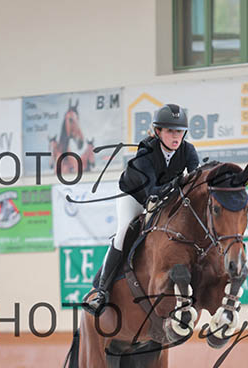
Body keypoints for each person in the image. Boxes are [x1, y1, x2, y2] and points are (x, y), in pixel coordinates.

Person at [85, 103, 200, 315]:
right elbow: (152, 193)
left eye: (180, 131)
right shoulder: (146, 152)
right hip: (135, 196)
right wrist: (179, 182)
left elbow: (196, 183)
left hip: (165, 196)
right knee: (124, 233)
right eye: (170, 131)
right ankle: (101, 291)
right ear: (158, 131)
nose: (176, 136)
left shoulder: (188, 151)